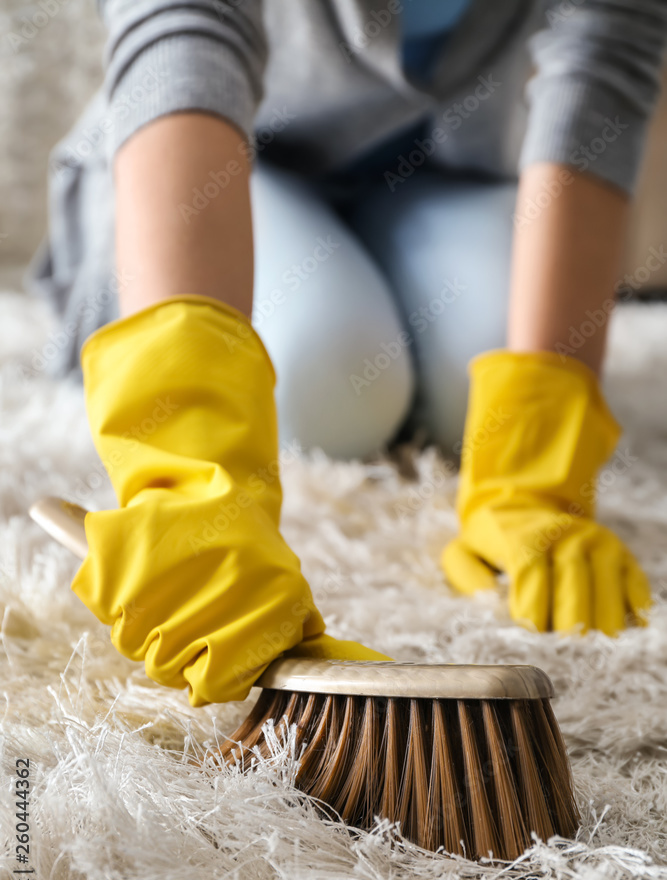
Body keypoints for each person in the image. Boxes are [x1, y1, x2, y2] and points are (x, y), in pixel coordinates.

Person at [29, 0, 667, 707]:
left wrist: (540, 465)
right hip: (221, 147)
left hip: (434, 171)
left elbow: (603, 54)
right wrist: (187, 465)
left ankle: (371, 278)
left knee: (476, 400)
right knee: (331, 389)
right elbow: (183, 26)